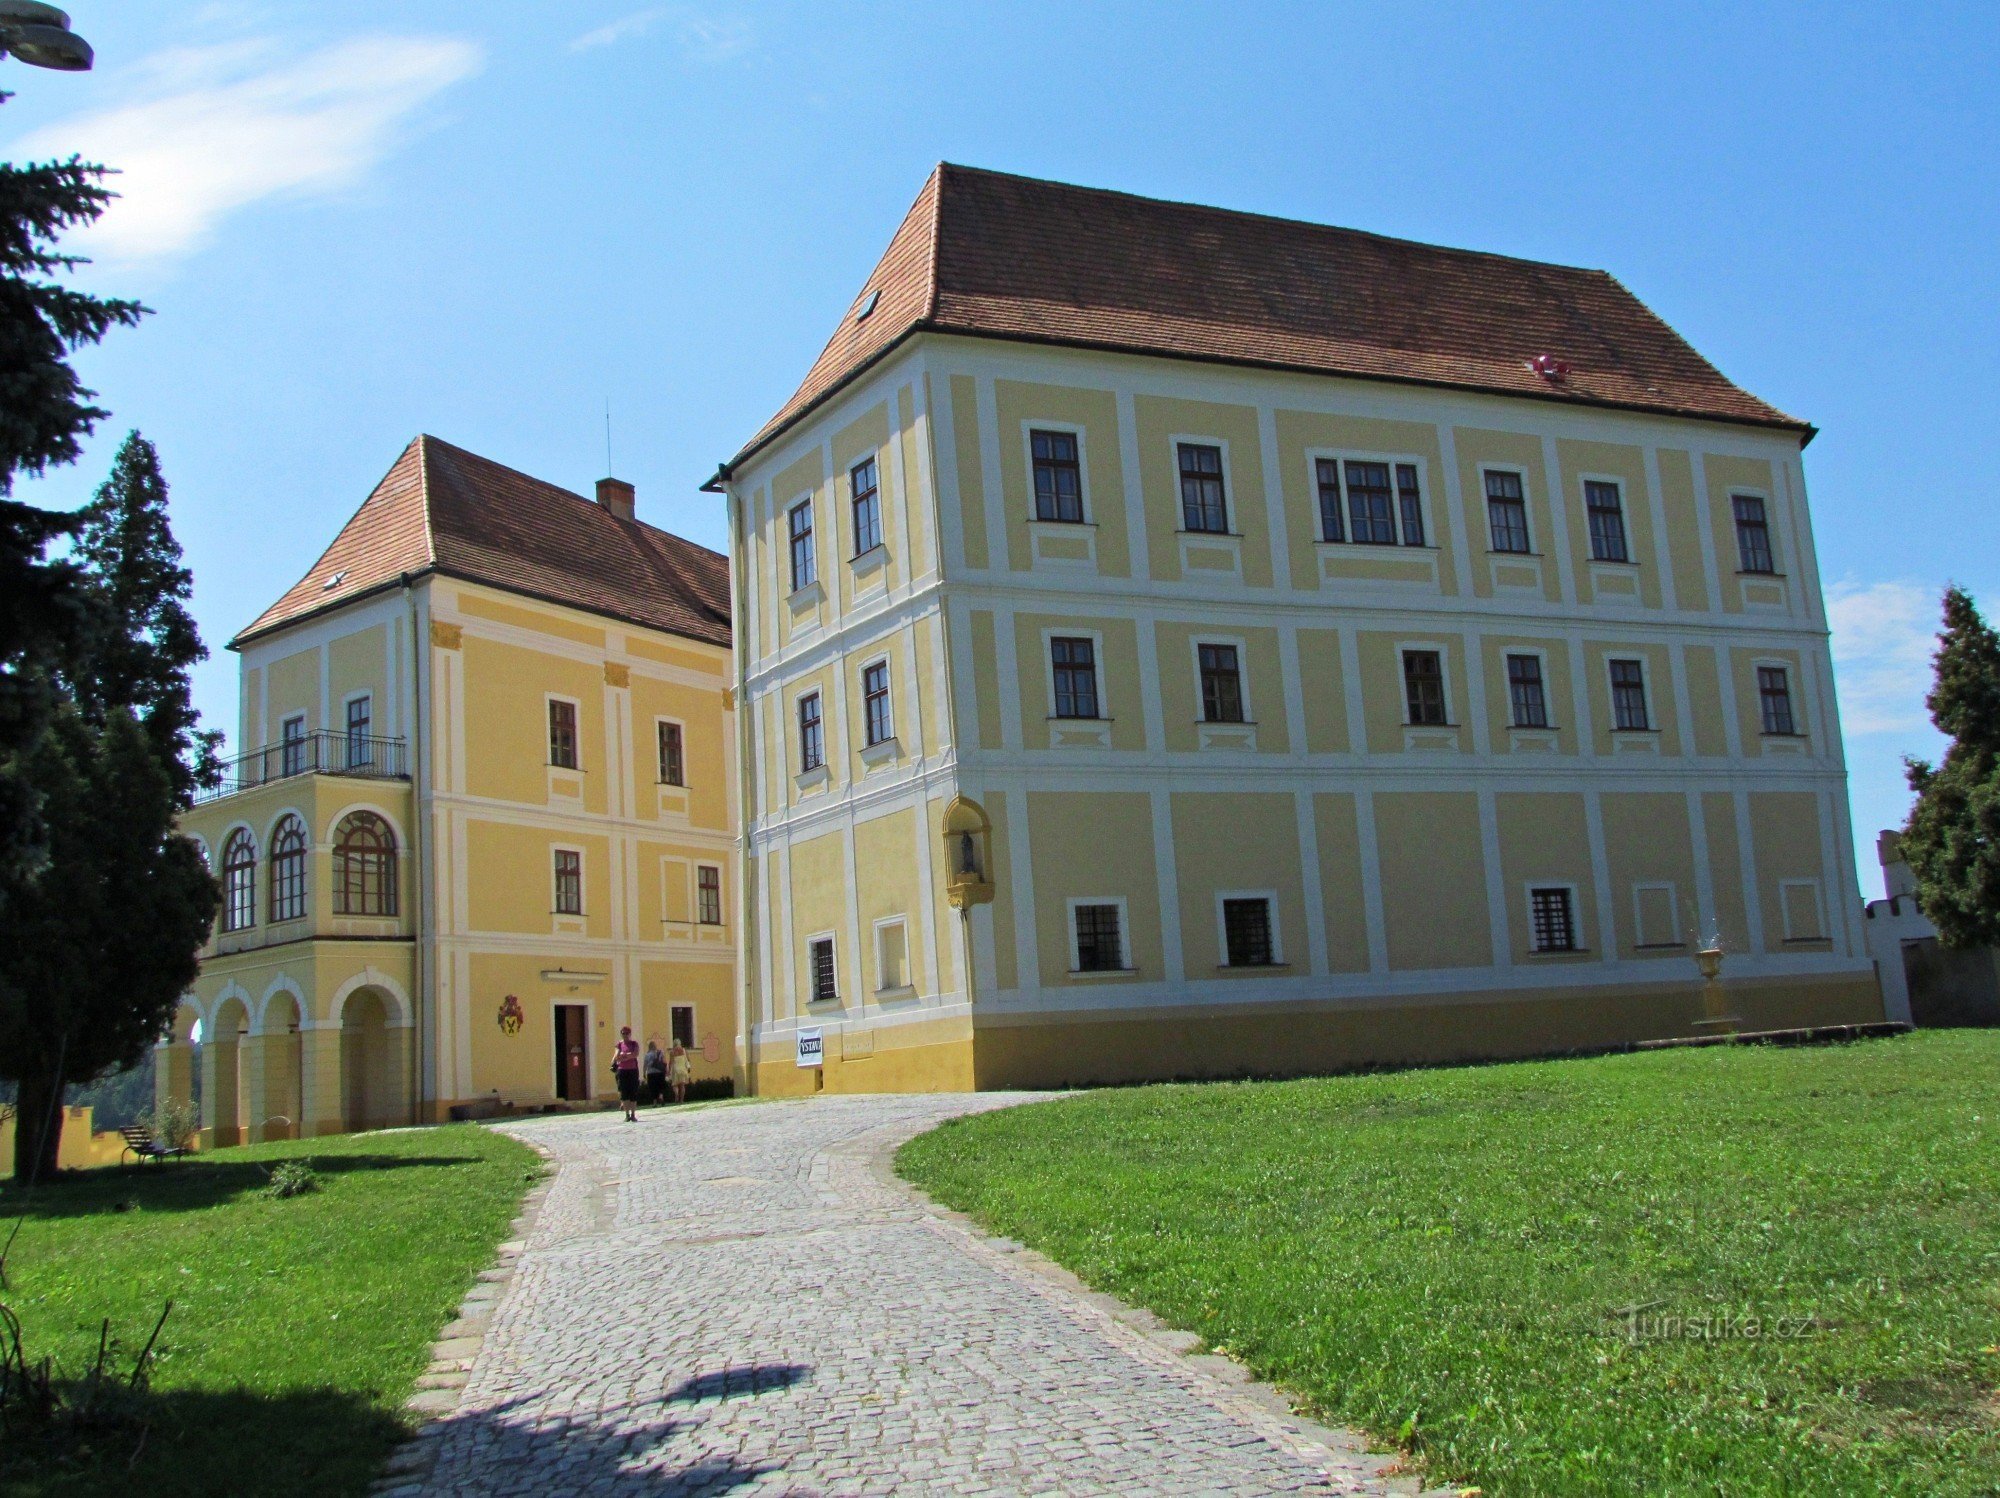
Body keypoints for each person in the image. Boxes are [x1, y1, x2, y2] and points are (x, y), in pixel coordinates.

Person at [612, 1026, 641, 1122]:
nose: (625, 1035)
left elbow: (635, 1054)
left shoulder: (634, 1043)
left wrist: (624, 1056)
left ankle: (633, 1114)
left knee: (633, 1092)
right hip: (622, 1071)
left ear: (630, 1034)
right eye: (623, 1033)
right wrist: (628, 1055)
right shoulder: (619, 1045)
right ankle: (627, 1114)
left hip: (632, 1070)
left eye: (627, 1033)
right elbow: (616, 1057)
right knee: (624, 1093)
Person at [643, 1037, 667, 1106]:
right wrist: (666, 1069)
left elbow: (645, 1065)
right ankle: (661, 1096)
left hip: (651, 1073)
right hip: (660, 1072)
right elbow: (664, 1061)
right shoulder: (660, 1053)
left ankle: (654, 1102)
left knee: (653, 1088)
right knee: (660, 1086)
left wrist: (644, 1073)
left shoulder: (647, 1055)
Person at [669, 1038, 693, 1105]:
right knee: (682, 1085)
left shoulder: (672, 1052)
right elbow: (688, 1060)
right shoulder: (684, 1050)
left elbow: (670, 1062)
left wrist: (668, 1070)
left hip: (675, 1069)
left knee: (675, 1084)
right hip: (683, 1069)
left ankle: (676, 1094)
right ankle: (681, 1100)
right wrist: (688, 1067)